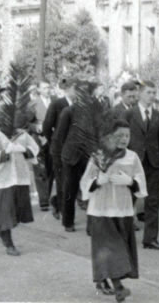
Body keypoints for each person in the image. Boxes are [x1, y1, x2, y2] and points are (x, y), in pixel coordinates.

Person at [80, 119, 147, 303]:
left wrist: (130, 182)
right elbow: (85, 182)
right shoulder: (98, 156)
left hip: (122, 210)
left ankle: (102, 280)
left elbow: (141, 182)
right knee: (111, 249)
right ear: (109, 136)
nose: (124, 139)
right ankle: (119, 288)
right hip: (101, 210)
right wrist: (97, 181)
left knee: (118, 249)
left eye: (127, 135)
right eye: (119, 135)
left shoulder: (132, 157)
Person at [125, 80, 159, 250]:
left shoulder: (158, 116)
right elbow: (123, 138)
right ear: (140, 94)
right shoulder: (130, 114)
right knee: (129, 199)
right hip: (133, 164)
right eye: (148, 93)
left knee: (153, 202)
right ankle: (124, 236)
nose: (152, 96)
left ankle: (150, 239)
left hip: (152, 164)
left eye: (153, 93)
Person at [53, 81, 102, 232]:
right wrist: (60, 158)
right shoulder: (68, 111)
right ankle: (68, 222)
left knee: (91, 188)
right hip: (72, 156)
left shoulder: (96, 111)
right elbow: (59, 136)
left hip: (90, 156)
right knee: (70, 189)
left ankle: (91, 224)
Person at [0, 123, 39, 256]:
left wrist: (24, 150)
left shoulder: (22, 134)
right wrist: (5, 153)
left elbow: (34, 147)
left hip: (20, 176)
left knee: (16, 209)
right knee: (6, 211)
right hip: (4, 177)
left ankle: (2, 231)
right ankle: (8, 241)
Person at [42, 78, 76, 220]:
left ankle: (57, 201)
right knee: (62, 180)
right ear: (67, 89)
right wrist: (54, 143)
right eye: (75, 89)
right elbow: (46, 126)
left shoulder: (80, 105)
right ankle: (62, 210)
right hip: (59, 149)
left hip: (75, 149)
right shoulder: (57, 104)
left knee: (71, 181)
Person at [30, 81, 52, 211]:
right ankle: (43, 200)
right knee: (40, 169)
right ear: (38, 89)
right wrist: (35, 127)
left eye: (48, 87)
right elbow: (27, 123)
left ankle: (48, 195)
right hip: (39, 139)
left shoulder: (56, 101)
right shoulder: (33, 104)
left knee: (52, 169)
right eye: (44, 87)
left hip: (53, 138)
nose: (47, 90)